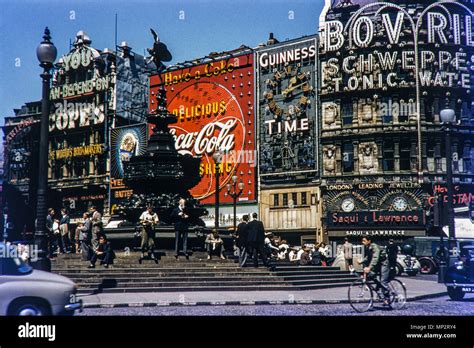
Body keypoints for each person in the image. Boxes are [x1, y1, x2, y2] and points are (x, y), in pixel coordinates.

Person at [361, 235, 391, 306]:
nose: (362, 242)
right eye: (362, 241)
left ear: (369, 241)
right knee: (371, 276)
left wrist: (369, 268)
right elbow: (368, 257)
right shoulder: (368, 247)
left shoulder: (375, 246)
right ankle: (381, 293)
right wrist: (361, 261)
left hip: (384, 264)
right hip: (378, 265)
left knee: (383, 281)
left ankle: (388, 297)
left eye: (364, 241)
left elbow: (375, 258)